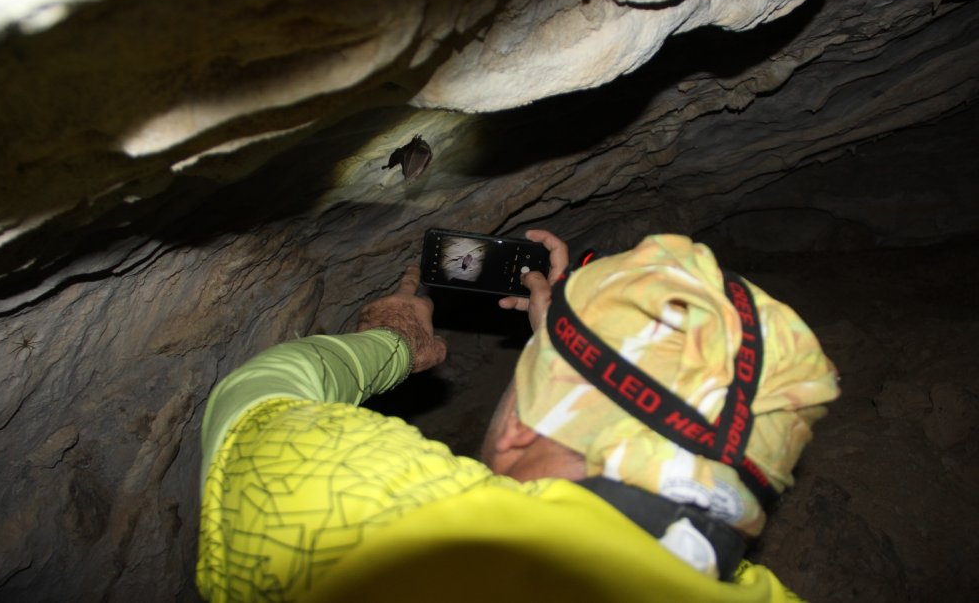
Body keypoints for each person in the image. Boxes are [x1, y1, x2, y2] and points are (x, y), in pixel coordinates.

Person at [195, 230, 840, 602]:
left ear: (521, 428)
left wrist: (395, 340)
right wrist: (558, 348)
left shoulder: (407, 544)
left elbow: (255, 399)